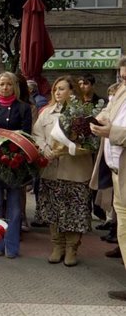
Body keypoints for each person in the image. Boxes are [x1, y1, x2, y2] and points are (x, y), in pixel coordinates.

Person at [33, 75, 93, 267]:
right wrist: (44, 148)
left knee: (74, 212)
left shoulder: (84, 114)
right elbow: (36, 134)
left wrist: (71, 148)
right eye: (55, 89)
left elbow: (91, 142)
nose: (57, 92)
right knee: (53, 211)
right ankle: (57, 246)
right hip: (51, 170)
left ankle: (71, 249)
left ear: (72, 91)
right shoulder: (46, 112)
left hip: (75, 171)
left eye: (62, 89)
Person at [0, 72, 32, 259]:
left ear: (15, 87)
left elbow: (26, 136)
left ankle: (12, 247)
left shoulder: (23, 108)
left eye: (9, 84)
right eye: (1, 84)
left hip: (15, 162)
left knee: (14, 206)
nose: (4, 87)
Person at [90, 57, 126, 300]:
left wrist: (111, 132)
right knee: (123, 231)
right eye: (122, 77)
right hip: (116, 175)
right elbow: (107, 110)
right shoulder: (121, 91)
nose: (124, 82)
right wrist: (101, 120)